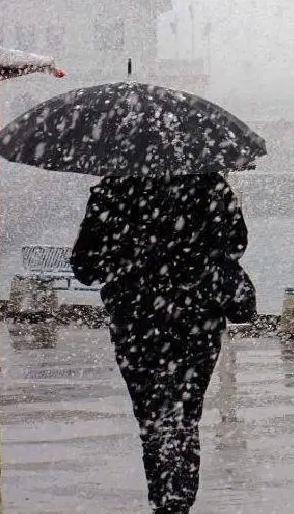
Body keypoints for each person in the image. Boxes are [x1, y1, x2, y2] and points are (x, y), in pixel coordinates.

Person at [71, 173, 247, 514]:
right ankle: (178, 501)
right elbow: (236, 245)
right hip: (197, 321)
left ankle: (162, 500)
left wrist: (130, 258)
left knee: (152, 419)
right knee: (184, 416)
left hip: (136, 323)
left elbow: (85, 267)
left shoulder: (113, 191)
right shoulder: (210, 186)